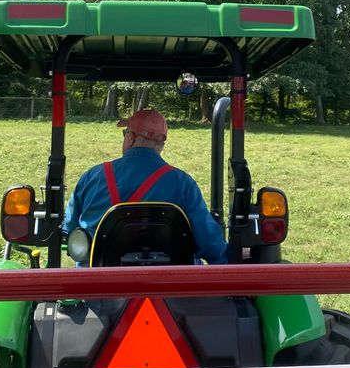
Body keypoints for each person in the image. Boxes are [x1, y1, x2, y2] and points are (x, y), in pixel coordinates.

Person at [63, 107, 228, 264]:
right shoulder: (183, 184)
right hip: (167, 284)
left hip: (100, 281)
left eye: (125, 133)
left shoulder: (92, 177)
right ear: (161, 145)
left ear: (130, 137)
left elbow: (69, 229)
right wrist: (227, 260)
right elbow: (209, 242)